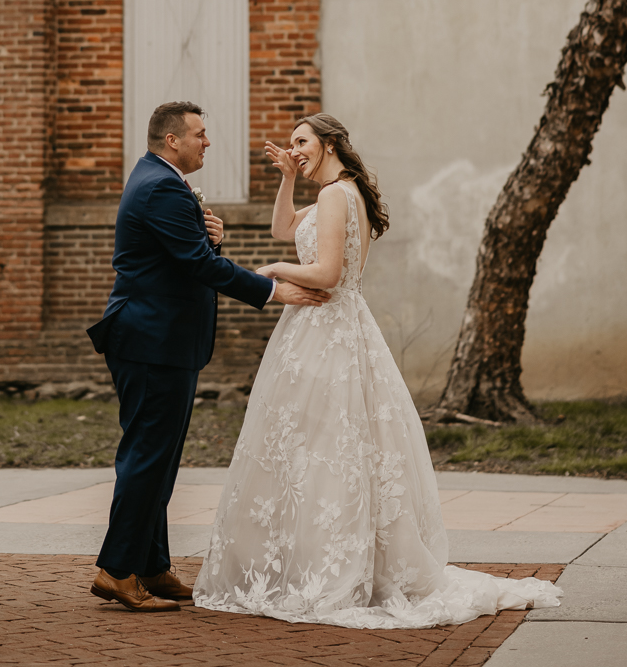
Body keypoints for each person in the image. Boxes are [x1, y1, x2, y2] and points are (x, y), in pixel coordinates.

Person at [193, 113, 562, 628]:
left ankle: (330, 567)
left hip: (324, 330)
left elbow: (326, 274)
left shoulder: (335, 196)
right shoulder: (345, 194)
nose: (294, 149)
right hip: (335, 327)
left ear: (329, 144)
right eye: (292, 145)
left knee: (321, 448)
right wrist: (287, 178)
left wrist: (270, 271)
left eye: (302, 143)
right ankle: (334, 557)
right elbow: (282, 228)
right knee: (329, 447)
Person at [86, 101, 331, 614]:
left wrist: (207, 238)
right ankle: (116, 570)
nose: (207, 141)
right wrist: (270, 292)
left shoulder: (160, 180)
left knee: (162, 457)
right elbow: (196, 265)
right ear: (172, 140)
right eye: (200, 134)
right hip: (151, 340)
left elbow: (184, 255)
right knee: (147, 456)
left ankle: (151, 565)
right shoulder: (160, 187)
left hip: (163, 340)